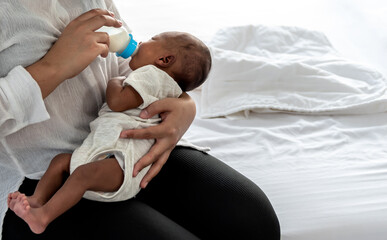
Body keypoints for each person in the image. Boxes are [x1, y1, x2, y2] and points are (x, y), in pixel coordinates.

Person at [1, 1, 280, 239]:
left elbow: (130, 59)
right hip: (45, 174)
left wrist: (184, 106)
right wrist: (54, 67)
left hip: (132, 140)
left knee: (255, 224)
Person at [7, 31, 212, 234]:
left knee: (81, 174)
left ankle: (43, 216)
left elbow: (117, 102)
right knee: (62, 161)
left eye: (152, 39)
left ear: (164, 59)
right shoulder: (161, 82)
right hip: (113, 155)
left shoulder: (151, 76)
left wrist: (115, 81)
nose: (141, 40)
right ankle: (36, 200)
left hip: (122, 161)